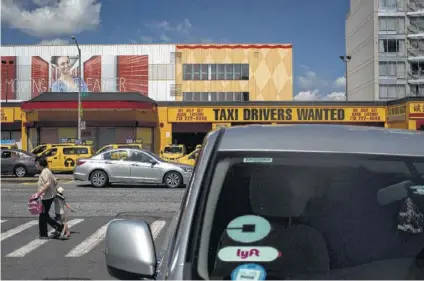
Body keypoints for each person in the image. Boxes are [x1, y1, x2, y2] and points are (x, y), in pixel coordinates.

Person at [35, 156, 63, 239]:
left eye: (37, 164)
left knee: (43, 215)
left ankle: (45, 234)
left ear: (41, 164)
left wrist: (39, 193)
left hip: (46, 197)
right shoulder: (48, 171)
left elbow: (47, 184)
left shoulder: (44, 172)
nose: (36, 166)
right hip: (49, 196)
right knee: (44, 215)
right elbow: (55, 181)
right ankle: (57, 229)